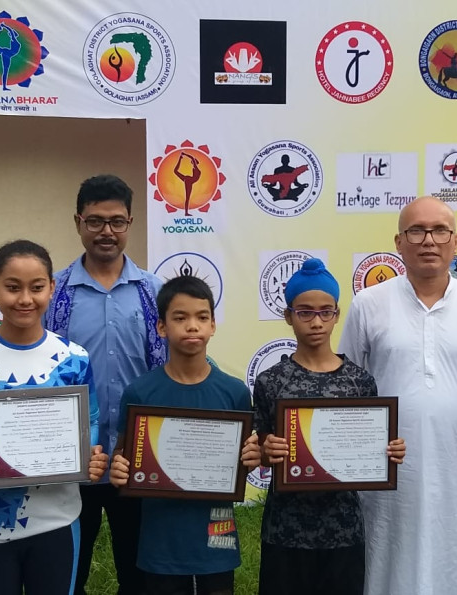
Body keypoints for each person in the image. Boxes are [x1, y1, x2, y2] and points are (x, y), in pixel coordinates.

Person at [339, 196, 457, 595]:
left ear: (456, 241)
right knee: (385, 560)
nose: (428, 240)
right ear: (399, 242)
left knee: (455, 559)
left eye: (439, 230)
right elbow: (346, 393)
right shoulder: (369, 304)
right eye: (416, 230)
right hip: (385, 472)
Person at [253, 258, 406, 595]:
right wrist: (267, 451)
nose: (316, 321)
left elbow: (372, 448)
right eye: (305, 312)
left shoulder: (359, 381)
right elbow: (263, 452)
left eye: (326, 311)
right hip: (285, 530)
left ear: (337, 314)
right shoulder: (270, 382)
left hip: (343, 529)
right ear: (288, 315)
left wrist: (388, 452)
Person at [0, 239, 108, 595]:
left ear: (52, 288)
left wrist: (91, 458)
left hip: (57, 520)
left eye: (37, 287)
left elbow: (89, 429)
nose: (25, 299)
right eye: (13, 287)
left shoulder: (73, 358)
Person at [45, 174, 166, 595]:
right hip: (73, 461)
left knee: (139, 573)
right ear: (78, 222)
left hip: (137, 458)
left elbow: (172, 372)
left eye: (116, 221)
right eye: (95, 221)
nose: (106, 232)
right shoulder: (53, 293)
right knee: (67, 572)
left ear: (130, 222)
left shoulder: (155, 293)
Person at [109, 275, 261, 595]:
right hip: (160, 543)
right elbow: (124, 462)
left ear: (213, 326)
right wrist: (120, 470)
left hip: (216, 536)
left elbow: (240, 468)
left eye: (202, 317)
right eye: (180, 317)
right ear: (162, 327)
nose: (192, 326)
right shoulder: (140, 393)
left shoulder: (233, 393)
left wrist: (250, 459)